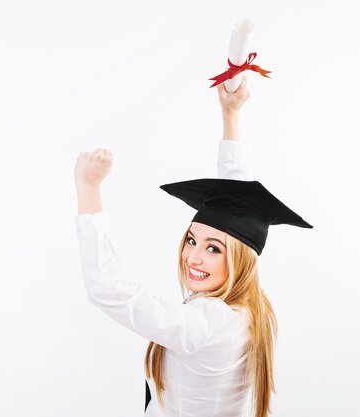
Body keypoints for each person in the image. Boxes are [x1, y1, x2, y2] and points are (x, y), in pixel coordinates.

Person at [73, 76, 313, 417]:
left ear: (240, 259)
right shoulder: (250, 309)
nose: (193, 256)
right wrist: (230, 116)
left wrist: (88, 189)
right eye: (191, 239)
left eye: (214, 249)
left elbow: (107, 290)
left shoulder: (206, 322)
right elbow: (236, 194)